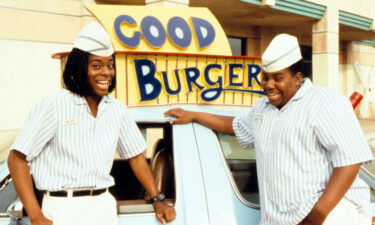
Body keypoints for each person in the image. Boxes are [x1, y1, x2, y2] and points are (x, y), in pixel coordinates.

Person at [164, 34, 373, 225]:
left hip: (328, 217)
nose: (269, 85)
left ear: (297, 78)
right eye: (265, 77)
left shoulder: (326, 102)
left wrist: (317, 215)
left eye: (278, 78)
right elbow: (236, 126)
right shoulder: (262, 108)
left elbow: (349, 161)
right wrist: (196, 115)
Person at [8, 22, 176, 225]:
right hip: (63, 207)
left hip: (103, 206)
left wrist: (158, 200)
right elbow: (17, 158)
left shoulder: (117, 109)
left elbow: (135, 156)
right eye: (96, 66)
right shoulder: (54, 105)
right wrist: (35, 216)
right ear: (80, 68)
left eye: (110, 65)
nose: (106, 72)